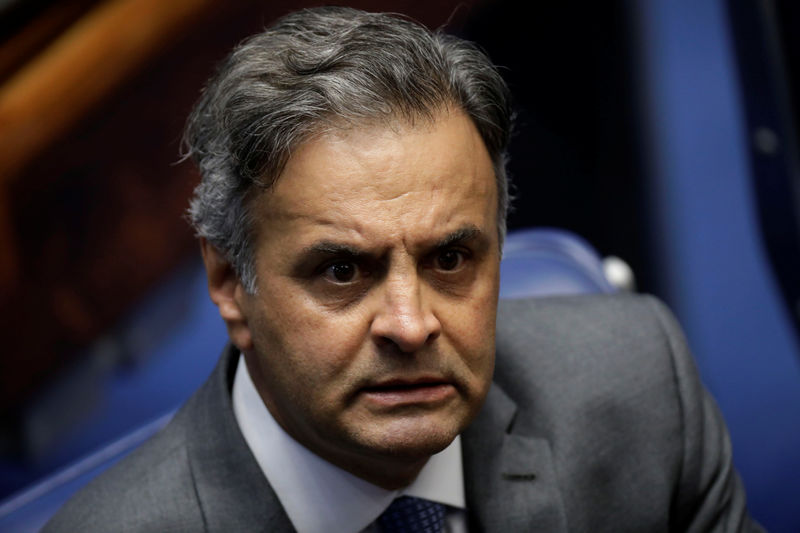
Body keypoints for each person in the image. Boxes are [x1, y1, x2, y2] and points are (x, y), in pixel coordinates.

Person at [44, 6, 762, 532]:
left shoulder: (641, 385)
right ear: (232, 284)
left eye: (451, 258)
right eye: (343, 271)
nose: (412, 323)